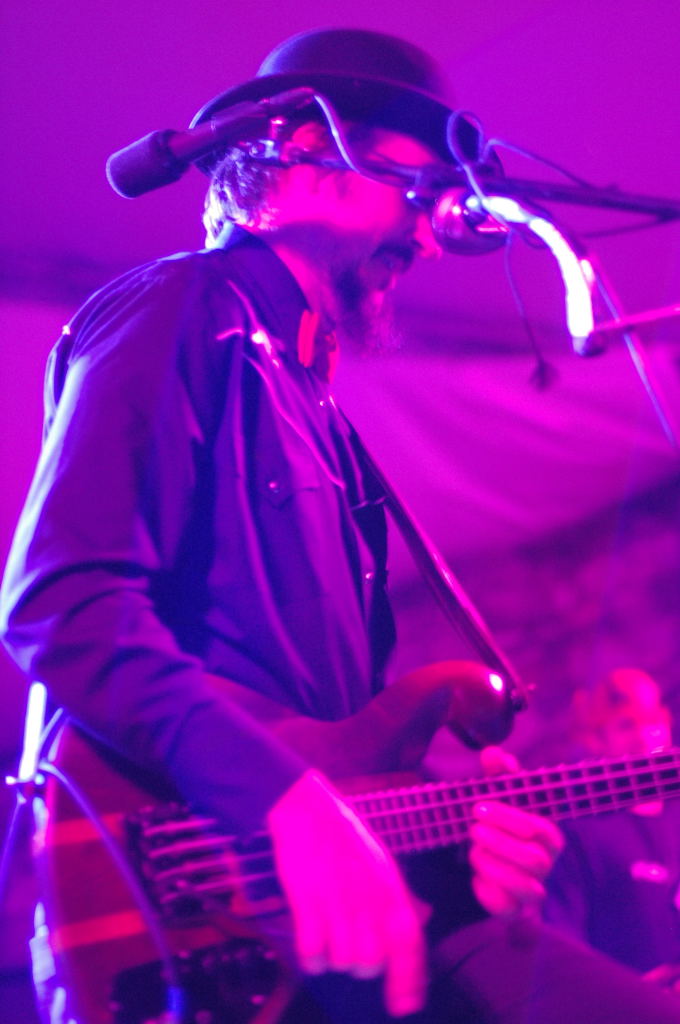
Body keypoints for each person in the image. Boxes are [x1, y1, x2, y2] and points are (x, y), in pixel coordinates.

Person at [1, 27, 678, 1024]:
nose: (431, 234)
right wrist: (282, 800)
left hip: (342, 915)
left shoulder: (320, 412)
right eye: (419, 185)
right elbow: (63, 604)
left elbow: (341, 739)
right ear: (308, 148)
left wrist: (459, 843)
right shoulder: (187, 307)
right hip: (185, 903)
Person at [544, 668, 680, 986]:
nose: (645, 737)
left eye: (652, 721)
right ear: (596, 739)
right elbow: (563, 945)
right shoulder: (579, 831)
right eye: (626, 725)